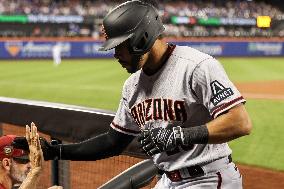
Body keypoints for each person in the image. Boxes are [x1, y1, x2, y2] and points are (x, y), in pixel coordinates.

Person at [13, 1, 252, 188]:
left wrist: (181, 135)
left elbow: (240, 122)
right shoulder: (132, 86)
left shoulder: (196, 66)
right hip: (169, 179)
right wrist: (55, 151)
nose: (115, 54)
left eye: (120, 45)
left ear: (142, 38)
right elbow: (112, 142)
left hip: (209, 178)